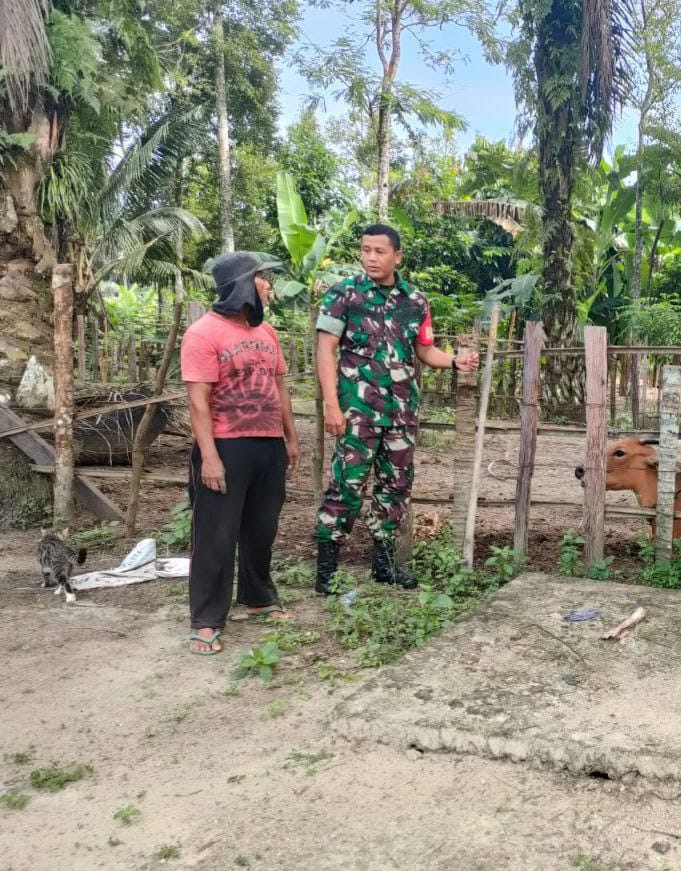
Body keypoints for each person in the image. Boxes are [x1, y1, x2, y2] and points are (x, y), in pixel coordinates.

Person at [313, 224, 478, 594]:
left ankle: (383, 567)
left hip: (401, 413)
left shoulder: (415, 301)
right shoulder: (344, 294)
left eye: (380, 251)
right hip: (357, 412)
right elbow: (325, 350)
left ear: (397, 256)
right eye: (365, 250)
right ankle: (327, 574)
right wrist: (332, 405)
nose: (371, 257)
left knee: (396, 487)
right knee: (346, 486)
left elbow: (425, 351)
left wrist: (455, 362)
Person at [181, 251, 300, 655]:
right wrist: (210, 457)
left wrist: (290, 438)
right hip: (226, 445)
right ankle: (206, 619)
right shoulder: (203, 334)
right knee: (216, 535)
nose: (268, 285)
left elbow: (280, 388)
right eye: (263, 278)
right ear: (244, 285)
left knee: (261, 529)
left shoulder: (267, 333)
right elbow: (198, 402)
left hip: (268, 445)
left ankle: (258, 596)